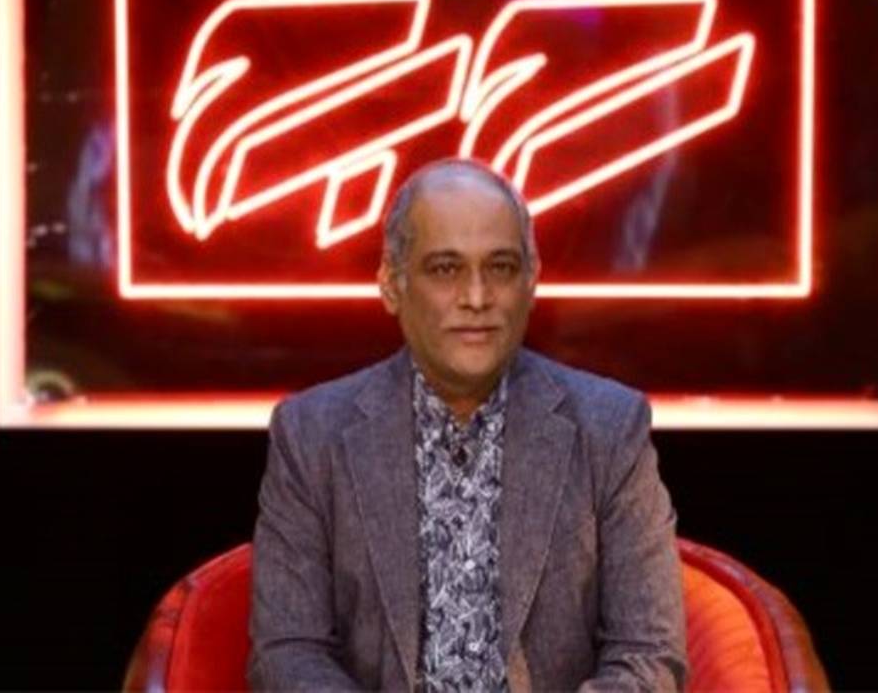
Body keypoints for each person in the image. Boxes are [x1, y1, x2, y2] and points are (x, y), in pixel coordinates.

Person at [249, 159, 687, 691]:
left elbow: (649, 653)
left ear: (531, 281)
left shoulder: (610, 430)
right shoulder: (310, 436)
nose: (477, 298)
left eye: (500, 267)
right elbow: (287, 656)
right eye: (445, 269)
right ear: (391, 284)